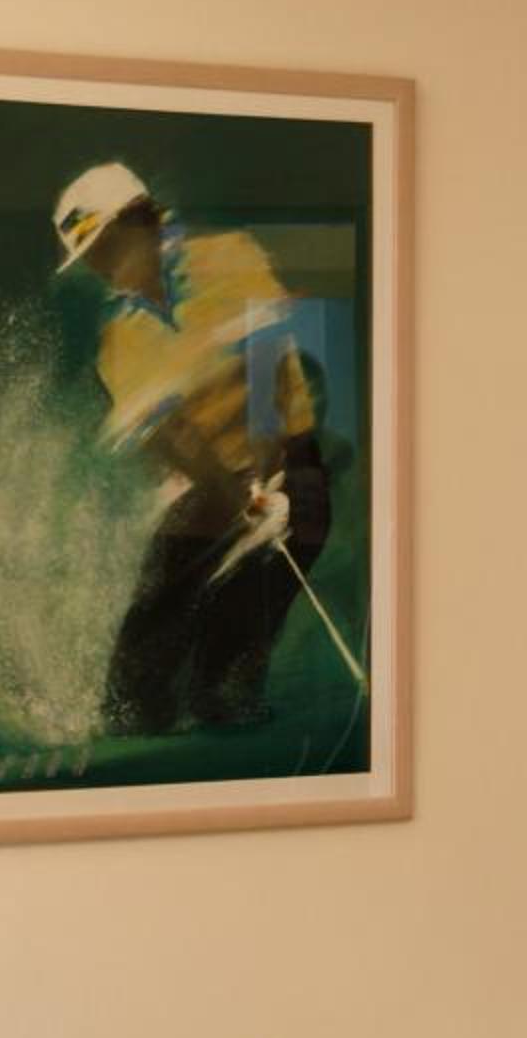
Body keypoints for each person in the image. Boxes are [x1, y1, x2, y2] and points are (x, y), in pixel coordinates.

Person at [51, 161, 337, 734]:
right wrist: (237, 499)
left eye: (107, 246)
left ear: (142, 222)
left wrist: (266, 484)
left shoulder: (227, 257)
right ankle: (142, 711)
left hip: (288, 461)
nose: (103, 267)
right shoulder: (119, 337)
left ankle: (225, 695)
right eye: (93, 258)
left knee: (230, 651)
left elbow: (266, 371)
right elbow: (171, 434)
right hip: (208, 483)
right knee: (137, 675)